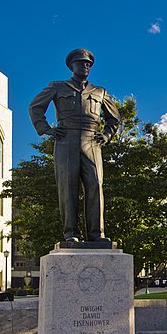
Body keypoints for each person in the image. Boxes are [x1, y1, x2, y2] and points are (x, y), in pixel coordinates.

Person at [29, 49, 120, 243]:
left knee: (95, 185)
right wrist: (46, 129)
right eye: (81, 63)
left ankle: (97, 235)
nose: (85, 66)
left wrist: (106, 135)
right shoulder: (58, 87)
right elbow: (35, 107)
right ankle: (71, 234)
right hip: (66, 139)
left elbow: (114, 118)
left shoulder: (100, 92)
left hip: (92, 141)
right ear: (72, 66)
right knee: (68, 187)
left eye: (88, 63)